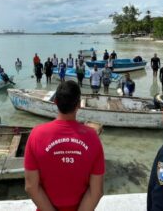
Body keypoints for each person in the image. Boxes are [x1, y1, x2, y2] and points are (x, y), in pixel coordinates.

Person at [24, 81, 105, 211]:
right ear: (79, 104)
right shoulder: (92, 137)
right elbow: (97, 191)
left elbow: (30, 187)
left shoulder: (36, 135)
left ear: (55, 102)